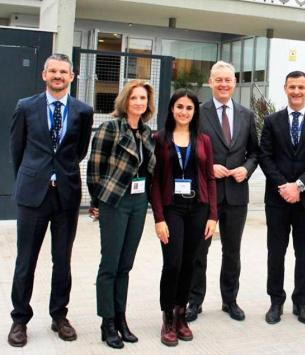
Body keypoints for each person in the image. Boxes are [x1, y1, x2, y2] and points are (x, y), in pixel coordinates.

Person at [7, 53, 93, 347]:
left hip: (66, 196)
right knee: (26, 260)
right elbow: (17, 150)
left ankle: (59, 315)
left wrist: (60, 173)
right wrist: (35, 176)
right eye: (53, 71)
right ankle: (20, 319)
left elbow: (79, 151)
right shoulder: (26, 107)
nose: (58, 76)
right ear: (44, 75)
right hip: (33, 196)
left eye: (63, 72)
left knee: (62, 261)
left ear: (72, 76)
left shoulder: (83, 111)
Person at [186, 61, 259, 323]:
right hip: (206, 195)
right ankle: (194, 301)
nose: (224, 84)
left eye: (228, 80)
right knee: (199, 250)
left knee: (232, 251)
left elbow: (255, 152)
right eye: (219, 80)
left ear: (235, 82)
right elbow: (189, 148)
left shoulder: (246, 114)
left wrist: (246, 169)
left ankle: (230, 300)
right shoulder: (198, 112)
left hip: (237, 195)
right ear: (210, 81)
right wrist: (207, 167)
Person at [87, 79, 156, 349]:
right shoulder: (110, 128)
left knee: (125, 265)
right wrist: (98, 201)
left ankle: (121, 318)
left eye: (143, 99)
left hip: (139, 203)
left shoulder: (147, 133)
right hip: (115, 201)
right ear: (125, 100)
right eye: (134, 98)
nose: (139, 102)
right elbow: (95, 168)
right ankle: (107, 323)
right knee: (110, 265)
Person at [259, 70, 305, 325]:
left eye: (301, 87)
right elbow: (265, 157)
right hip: (277, 200)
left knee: (304, 254)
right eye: (292, 87)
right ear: (285, 88)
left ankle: (301, 303)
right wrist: (284, 186)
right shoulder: (271, 121)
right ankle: (275, 302)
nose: (297, 91)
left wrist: (299, 185)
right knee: (275, 253)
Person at [150, 89, 218, 346]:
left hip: (198, 208)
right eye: (179, 106)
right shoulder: (160, 138)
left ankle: (181, 315)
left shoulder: (203, 140)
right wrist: (158, 218)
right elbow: (154, 181)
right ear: (171, 109)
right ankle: (168, 317)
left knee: (190, 262)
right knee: (173, 264)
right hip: (172, 209)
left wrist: (212, 215)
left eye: (189, 108)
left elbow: (210, 178)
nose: (184, 112)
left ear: (194, 112)